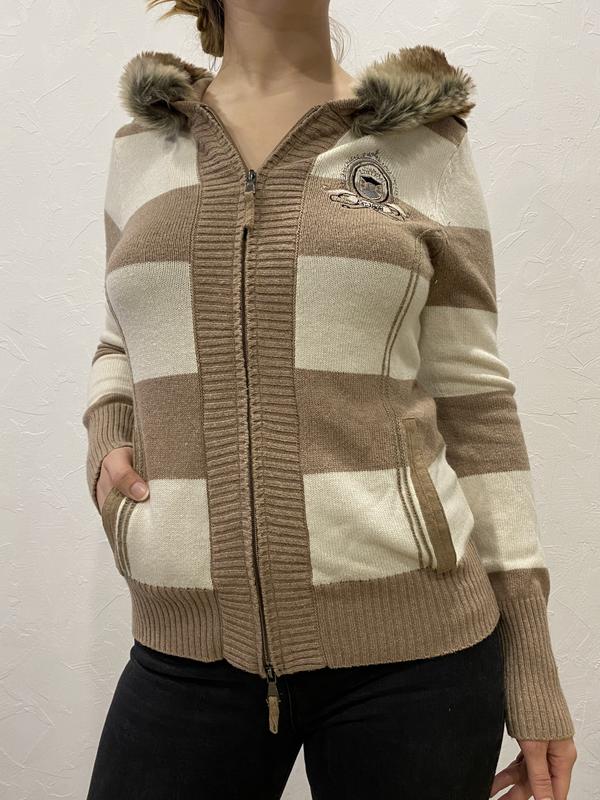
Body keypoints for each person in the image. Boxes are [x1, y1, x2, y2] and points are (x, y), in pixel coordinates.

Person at [82, 1, 577, 797]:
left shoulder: (422, 144)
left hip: (418, 663)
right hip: (187, 647)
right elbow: (121, 337)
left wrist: (532, 662)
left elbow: (477, 403)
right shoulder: (143, 147)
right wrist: (108, 433)